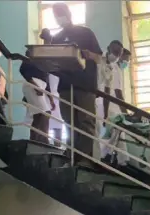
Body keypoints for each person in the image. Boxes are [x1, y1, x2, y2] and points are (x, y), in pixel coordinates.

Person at [51, 2, 103, 167]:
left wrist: (88, 55)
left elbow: (99, 58)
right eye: (56, 14)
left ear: (69, 13)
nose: (59, 16)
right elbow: (52, 61)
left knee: (86, 122)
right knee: (70, 123)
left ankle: (85, 159)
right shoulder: (56, 38)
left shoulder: (85, 33)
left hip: (84, 85)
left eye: (61, 12)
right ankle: (73, 157)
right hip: (66, 86)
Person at [100, 47, 131, 166]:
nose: (126, 63)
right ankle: (105, 157)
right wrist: (126, 114)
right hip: (109, 106)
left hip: (113, 107)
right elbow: (118, 94)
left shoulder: (116, 69)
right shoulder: (115, 69)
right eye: (126, 60)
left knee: (118, 133)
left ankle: (123, 161)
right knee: (112, 133)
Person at [94, 40, 124, 161]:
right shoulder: (97, 60)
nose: (116, 56)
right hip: (90, 97)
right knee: (94, 129)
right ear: (108, 48)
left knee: (106, 130)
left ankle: (103, 158)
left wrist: (106, 115)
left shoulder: (112, 67)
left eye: (119, 54)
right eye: (115, 53)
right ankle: (96, 158)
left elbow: (107, 90)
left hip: (100, 101)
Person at [20, 49, 55, 144]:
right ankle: (42, 140)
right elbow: (23, 71)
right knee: (44, 113)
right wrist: (36, 87)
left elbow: (46, 81)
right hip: (33, 85)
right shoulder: (31, 56)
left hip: (41, 86)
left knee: (39, 114)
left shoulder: (44, 62)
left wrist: (51, 99)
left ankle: (36, 140)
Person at [39, 28, 63, 147]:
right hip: (43, 91)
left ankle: (57, 147)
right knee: (42, 121)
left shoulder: (57, 56)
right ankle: (44, 144)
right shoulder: (39, 54)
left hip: (56, 93)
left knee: (57, 124)